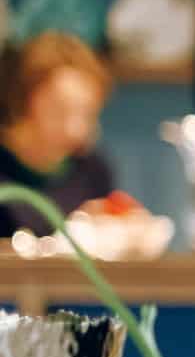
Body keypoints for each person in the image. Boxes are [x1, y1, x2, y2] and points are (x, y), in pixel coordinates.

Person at [0, 32, 117, 236]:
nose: (74, 129)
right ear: (23, 101)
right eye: (58, 111)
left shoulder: (93, 171)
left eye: (87, 114)